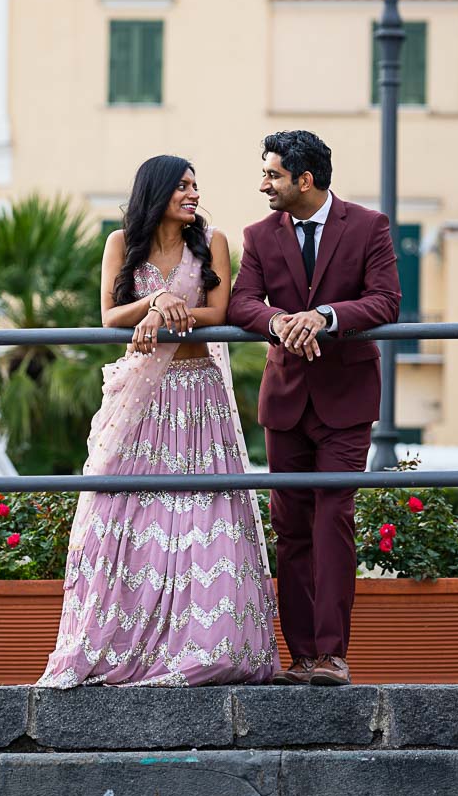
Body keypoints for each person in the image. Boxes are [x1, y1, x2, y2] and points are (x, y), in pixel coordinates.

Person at [38, 155, 278, 687]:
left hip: (199, 397)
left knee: (203, 514)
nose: (193, 194)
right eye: (183, 186)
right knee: (127, 512)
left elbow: (219, 314)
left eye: (196, 186)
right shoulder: (121, 245)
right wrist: (156, 300)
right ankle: (116, 641)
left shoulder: (211, 242)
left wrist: (171, 314)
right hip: (142, 398)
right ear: (158, 191)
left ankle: (207, 645)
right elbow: (108, 316)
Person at [228, 131, 400, 687]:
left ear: (305, 179)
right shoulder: (258, 235)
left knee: (334, 518)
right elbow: (241, 302)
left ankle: (332, 655)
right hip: (285, 400)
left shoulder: (369, 227)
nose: (263, 184)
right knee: (290, 525)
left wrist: (324, 316)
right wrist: (279, 322)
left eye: (272, 175)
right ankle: (299, 657)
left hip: (347, 399)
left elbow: (386, 299)